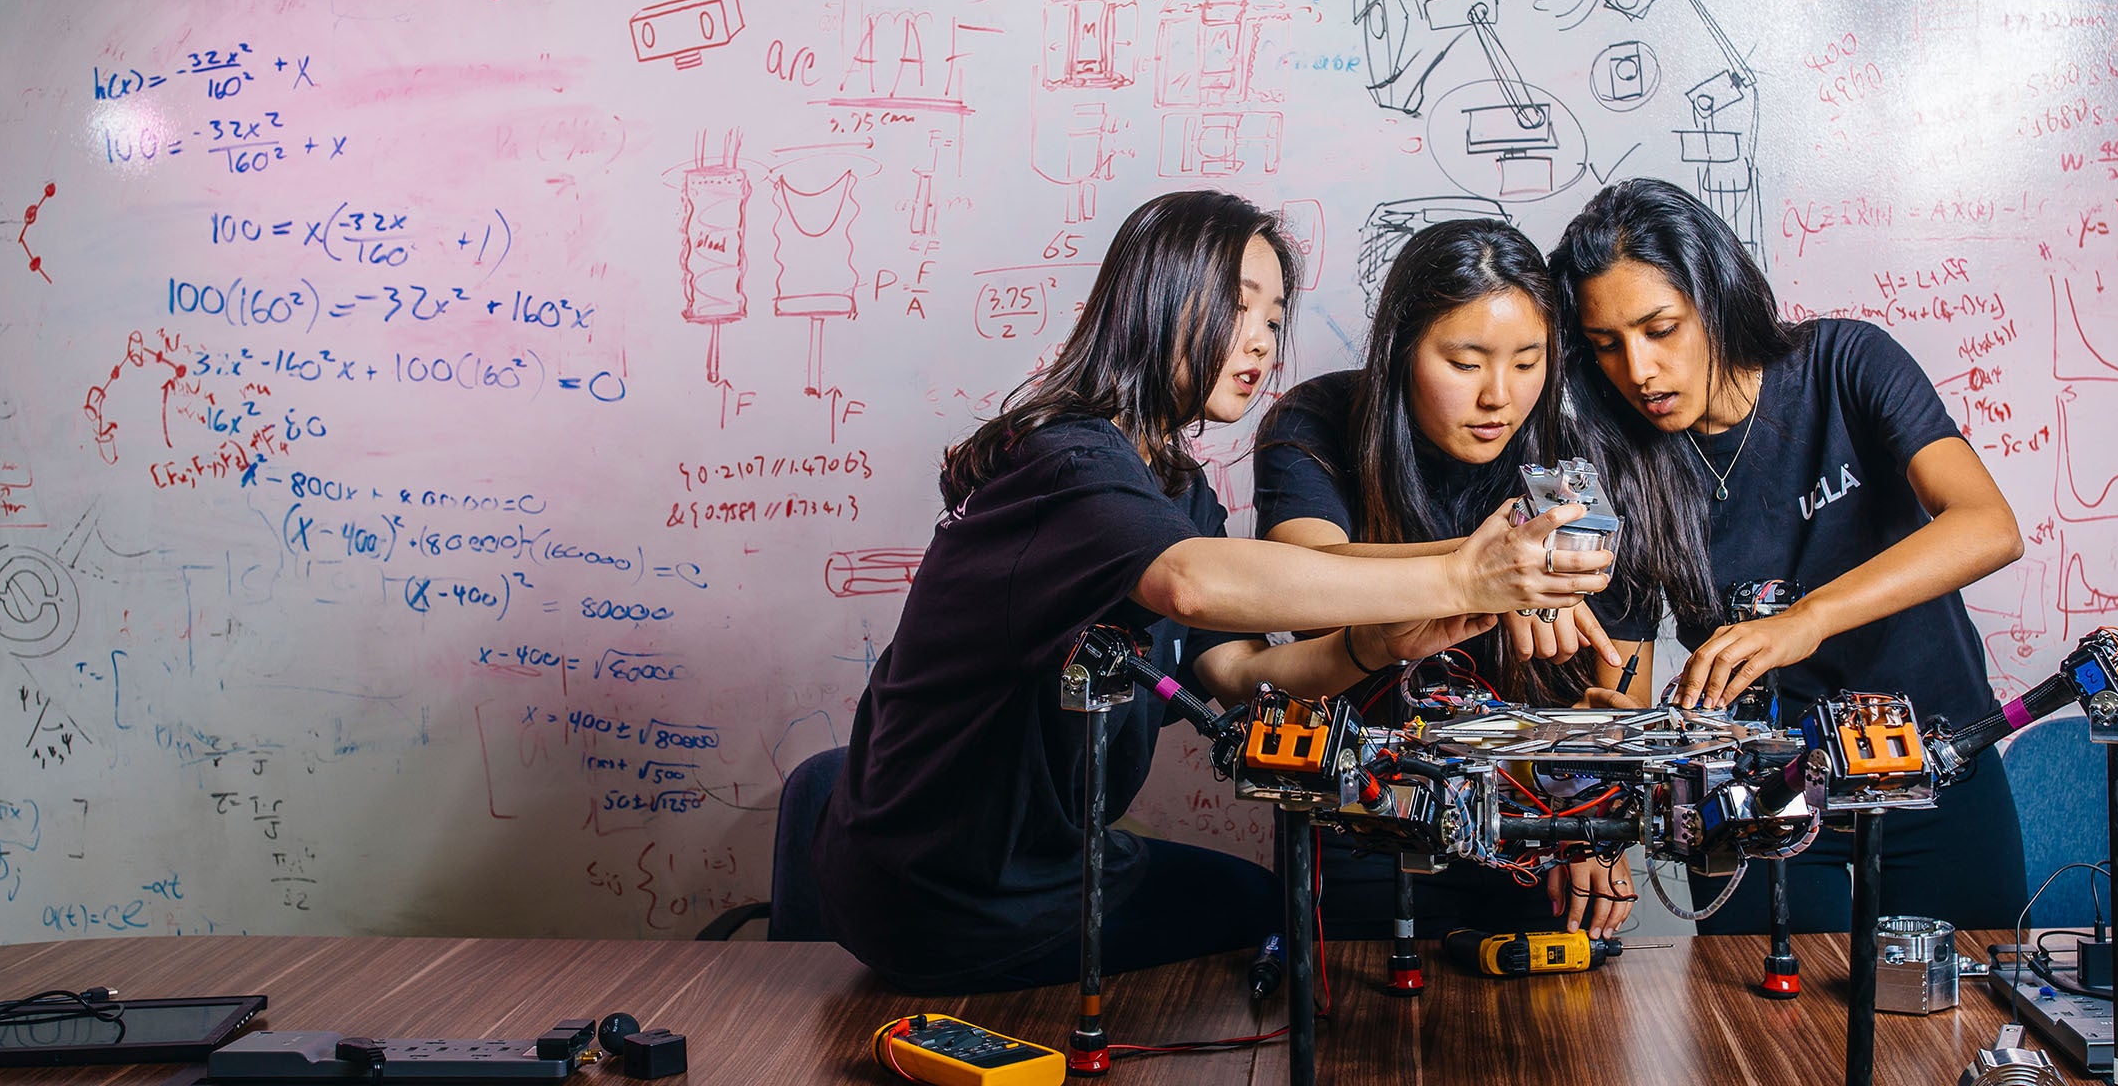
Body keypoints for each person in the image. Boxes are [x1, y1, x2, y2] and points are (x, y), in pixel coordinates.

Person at [811, 191, 1613, 994]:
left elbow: (1235, 676)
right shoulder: (1066, 460)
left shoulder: (1173, 490)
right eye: (1237, 309)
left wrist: (1375, 645)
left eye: (1272, 319)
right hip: (948, 893)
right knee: (1274, 929)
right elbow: (1193, 586)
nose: (1261, 343)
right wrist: (1468, 575)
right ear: (1156, 303)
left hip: (1057, 867)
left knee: (1270, 910)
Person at [1549, 177, 2029, 933]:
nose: (1637, 371)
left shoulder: (1845, 363)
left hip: (1934, 765)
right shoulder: (1619, 468)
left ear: (1715, 296)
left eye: (1660, 329)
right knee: (1763, 1041)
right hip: (1761, 798)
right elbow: (1626, 684)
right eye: (1607, 346)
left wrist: (1808, 620)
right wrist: (1597, 808)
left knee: (1966, 1020)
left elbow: (1987, 525)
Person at [1254, 218, 1650, 941]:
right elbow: (1301, 580)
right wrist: (1484, 574)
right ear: (1403, 349)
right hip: (1364, 810)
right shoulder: (1317, 422)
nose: (1499, 395)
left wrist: (1599, 820)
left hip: (1538, 823)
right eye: (1466, 363)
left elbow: (1620, 680)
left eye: (1529, 361)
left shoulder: (1584, 461)